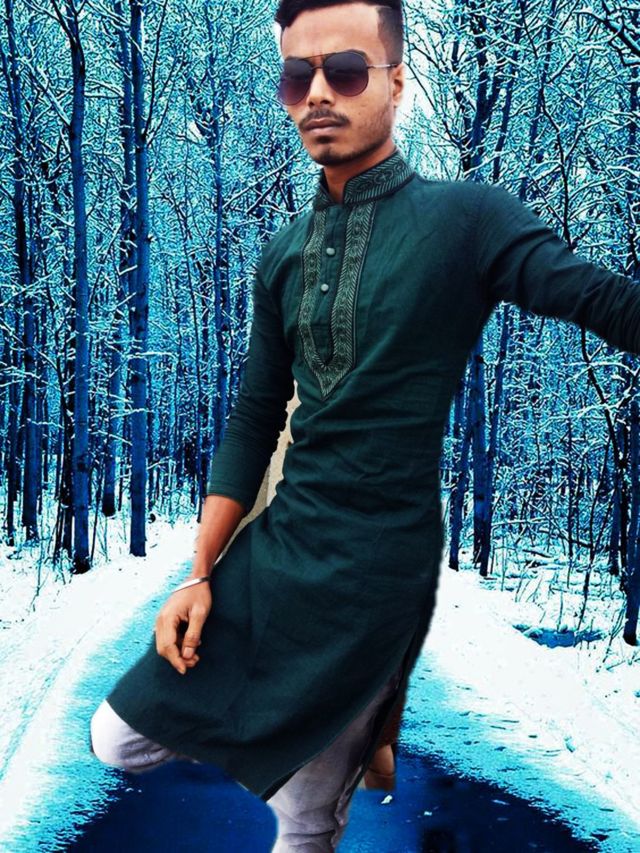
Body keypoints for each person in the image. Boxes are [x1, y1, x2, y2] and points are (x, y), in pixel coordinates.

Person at [89, 1, 640, 849]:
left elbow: (599, 298)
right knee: (116, 736)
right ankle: (284, 748)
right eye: (296, 76)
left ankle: (315, 768)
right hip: (282, 550)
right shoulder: (282, 254)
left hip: (378, 573)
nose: (318, 93)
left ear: (395, 82)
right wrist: (198, 574)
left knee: (305, 826)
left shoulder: (468, 220)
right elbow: (253, 417)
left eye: (345, 71)